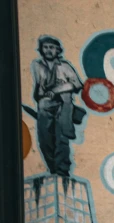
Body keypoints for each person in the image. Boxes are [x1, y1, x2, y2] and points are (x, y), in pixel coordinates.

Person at [31, 35, 84, 177]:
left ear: (58, 50)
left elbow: (78, 84)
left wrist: (56, 90)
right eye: (46, 47)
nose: (48, 50)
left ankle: (62, 172)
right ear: (41, 49)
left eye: (52, 47)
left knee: (61, 139)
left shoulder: (64, 66)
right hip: (44, 107)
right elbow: (38, 88)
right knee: (44, 140)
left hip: (63, 105)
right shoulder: (37, 65)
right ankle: (53, 169)